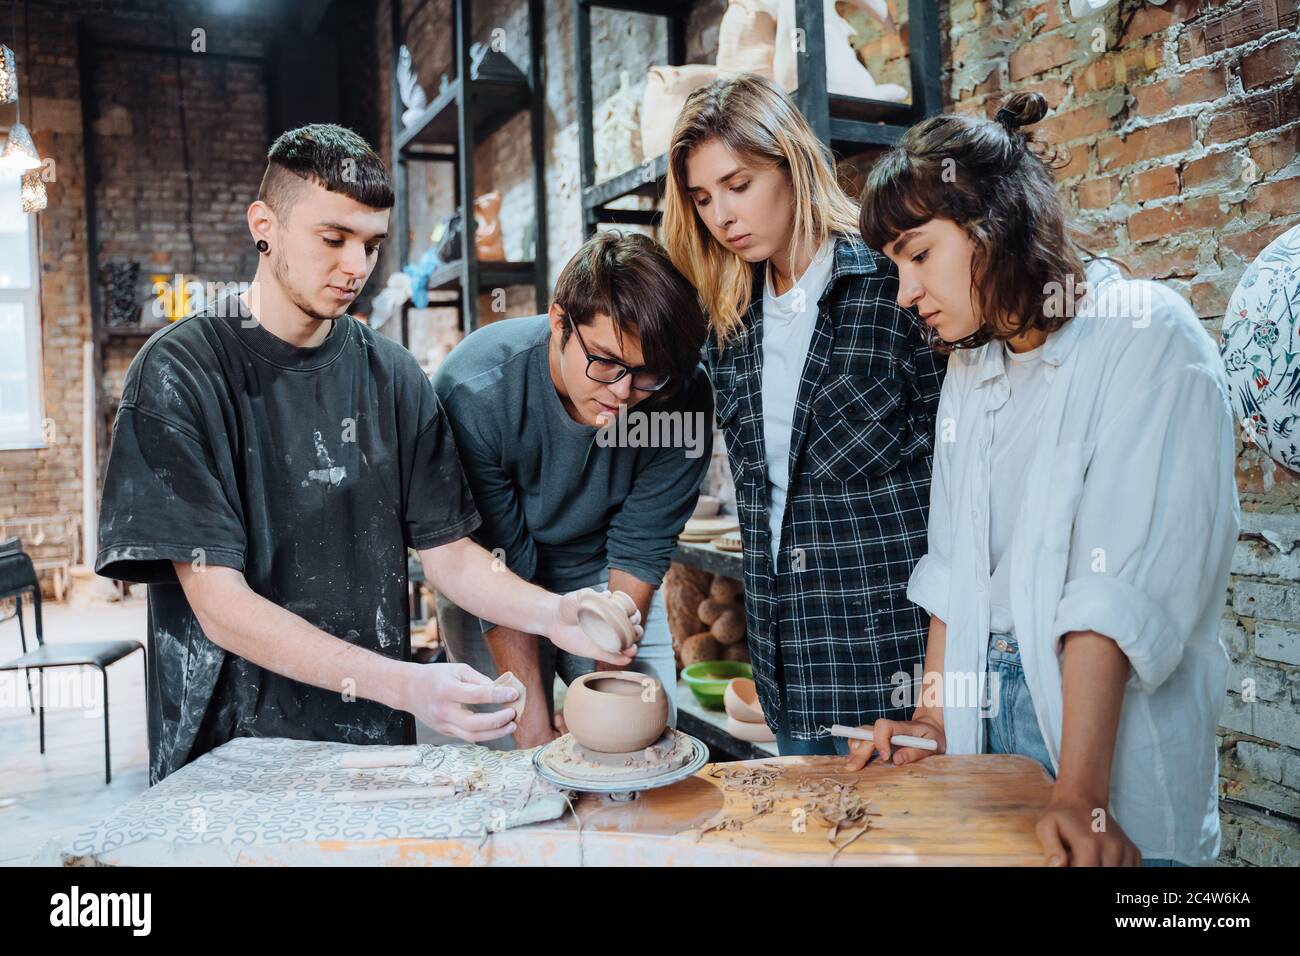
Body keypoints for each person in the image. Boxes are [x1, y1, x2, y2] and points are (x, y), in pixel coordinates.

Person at [95, 124, 637, 783]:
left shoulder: (393, 375)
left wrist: (556, 613)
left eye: (373, 244)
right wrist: (411, 685)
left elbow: (451, 555)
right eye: (334, 239)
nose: (357, 266)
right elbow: (220, 606)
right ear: (263, 223)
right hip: (228, 754)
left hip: (368, 746)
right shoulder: (180, 374)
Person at [853, 92, 1239, 867]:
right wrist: (934, 722)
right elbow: (956, 571)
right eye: (894, 267)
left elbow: (1116, 596)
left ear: (992, 227)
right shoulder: (974, 362)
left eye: (919, 254)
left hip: (1097, 725)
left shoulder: (1147, 335)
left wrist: (1083, 797)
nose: (905, 294)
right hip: (985, 715)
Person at [662, 73, 946, 755]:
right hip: (786, 666)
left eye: (739, 185)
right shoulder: (730, 326)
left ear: (792, 166)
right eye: (703, 199)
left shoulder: (893, 291)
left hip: (894, 666)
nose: (723, 215)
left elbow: (968, 489)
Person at [432, 231, 713, 748]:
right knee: (509, 752)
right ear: (560, 322)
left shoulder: (682, 391)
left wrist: (602, 690)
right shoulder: (474, 390)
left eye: (647, 374)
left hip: (601, 566)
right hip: (489, 572)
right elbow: (500, 561)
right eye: (605, 362)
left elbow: (639, 546)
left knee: (638, 735)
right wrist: (533, 728)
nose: (623, 394)